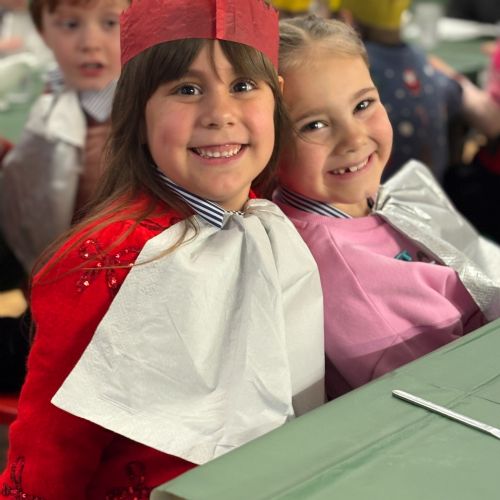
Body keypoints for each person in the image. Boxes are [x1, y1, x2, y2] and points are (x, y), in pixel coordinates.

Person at [0, 0, 325, 496]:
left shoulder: (269, 219)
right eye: (186, 89)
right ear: (137, 113)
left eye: (243, 86)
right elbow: (51, 452)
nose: (220, 114)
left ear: (276, 99)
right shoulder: (105, 262)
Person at [274, 14, 500, 400]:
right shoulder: (348, 275)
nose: (353, 138)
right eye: (313, 125)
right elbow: (450, 394)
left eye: (363, 104)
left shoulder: (365, 200)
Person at [0, 0, 123, 275]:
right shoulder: (52, 98)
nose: (90, 43)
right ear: (43, 33)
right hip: (48, 268)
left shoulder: (143, 119)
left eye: (110, 23)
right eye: (70, 24)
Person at [339, 0, 464, 183]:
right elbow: (455, 96)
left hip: (378, 192)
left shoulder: (356, 65)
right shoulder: (421, 57)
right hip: (432, 190)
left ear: (348, 19)